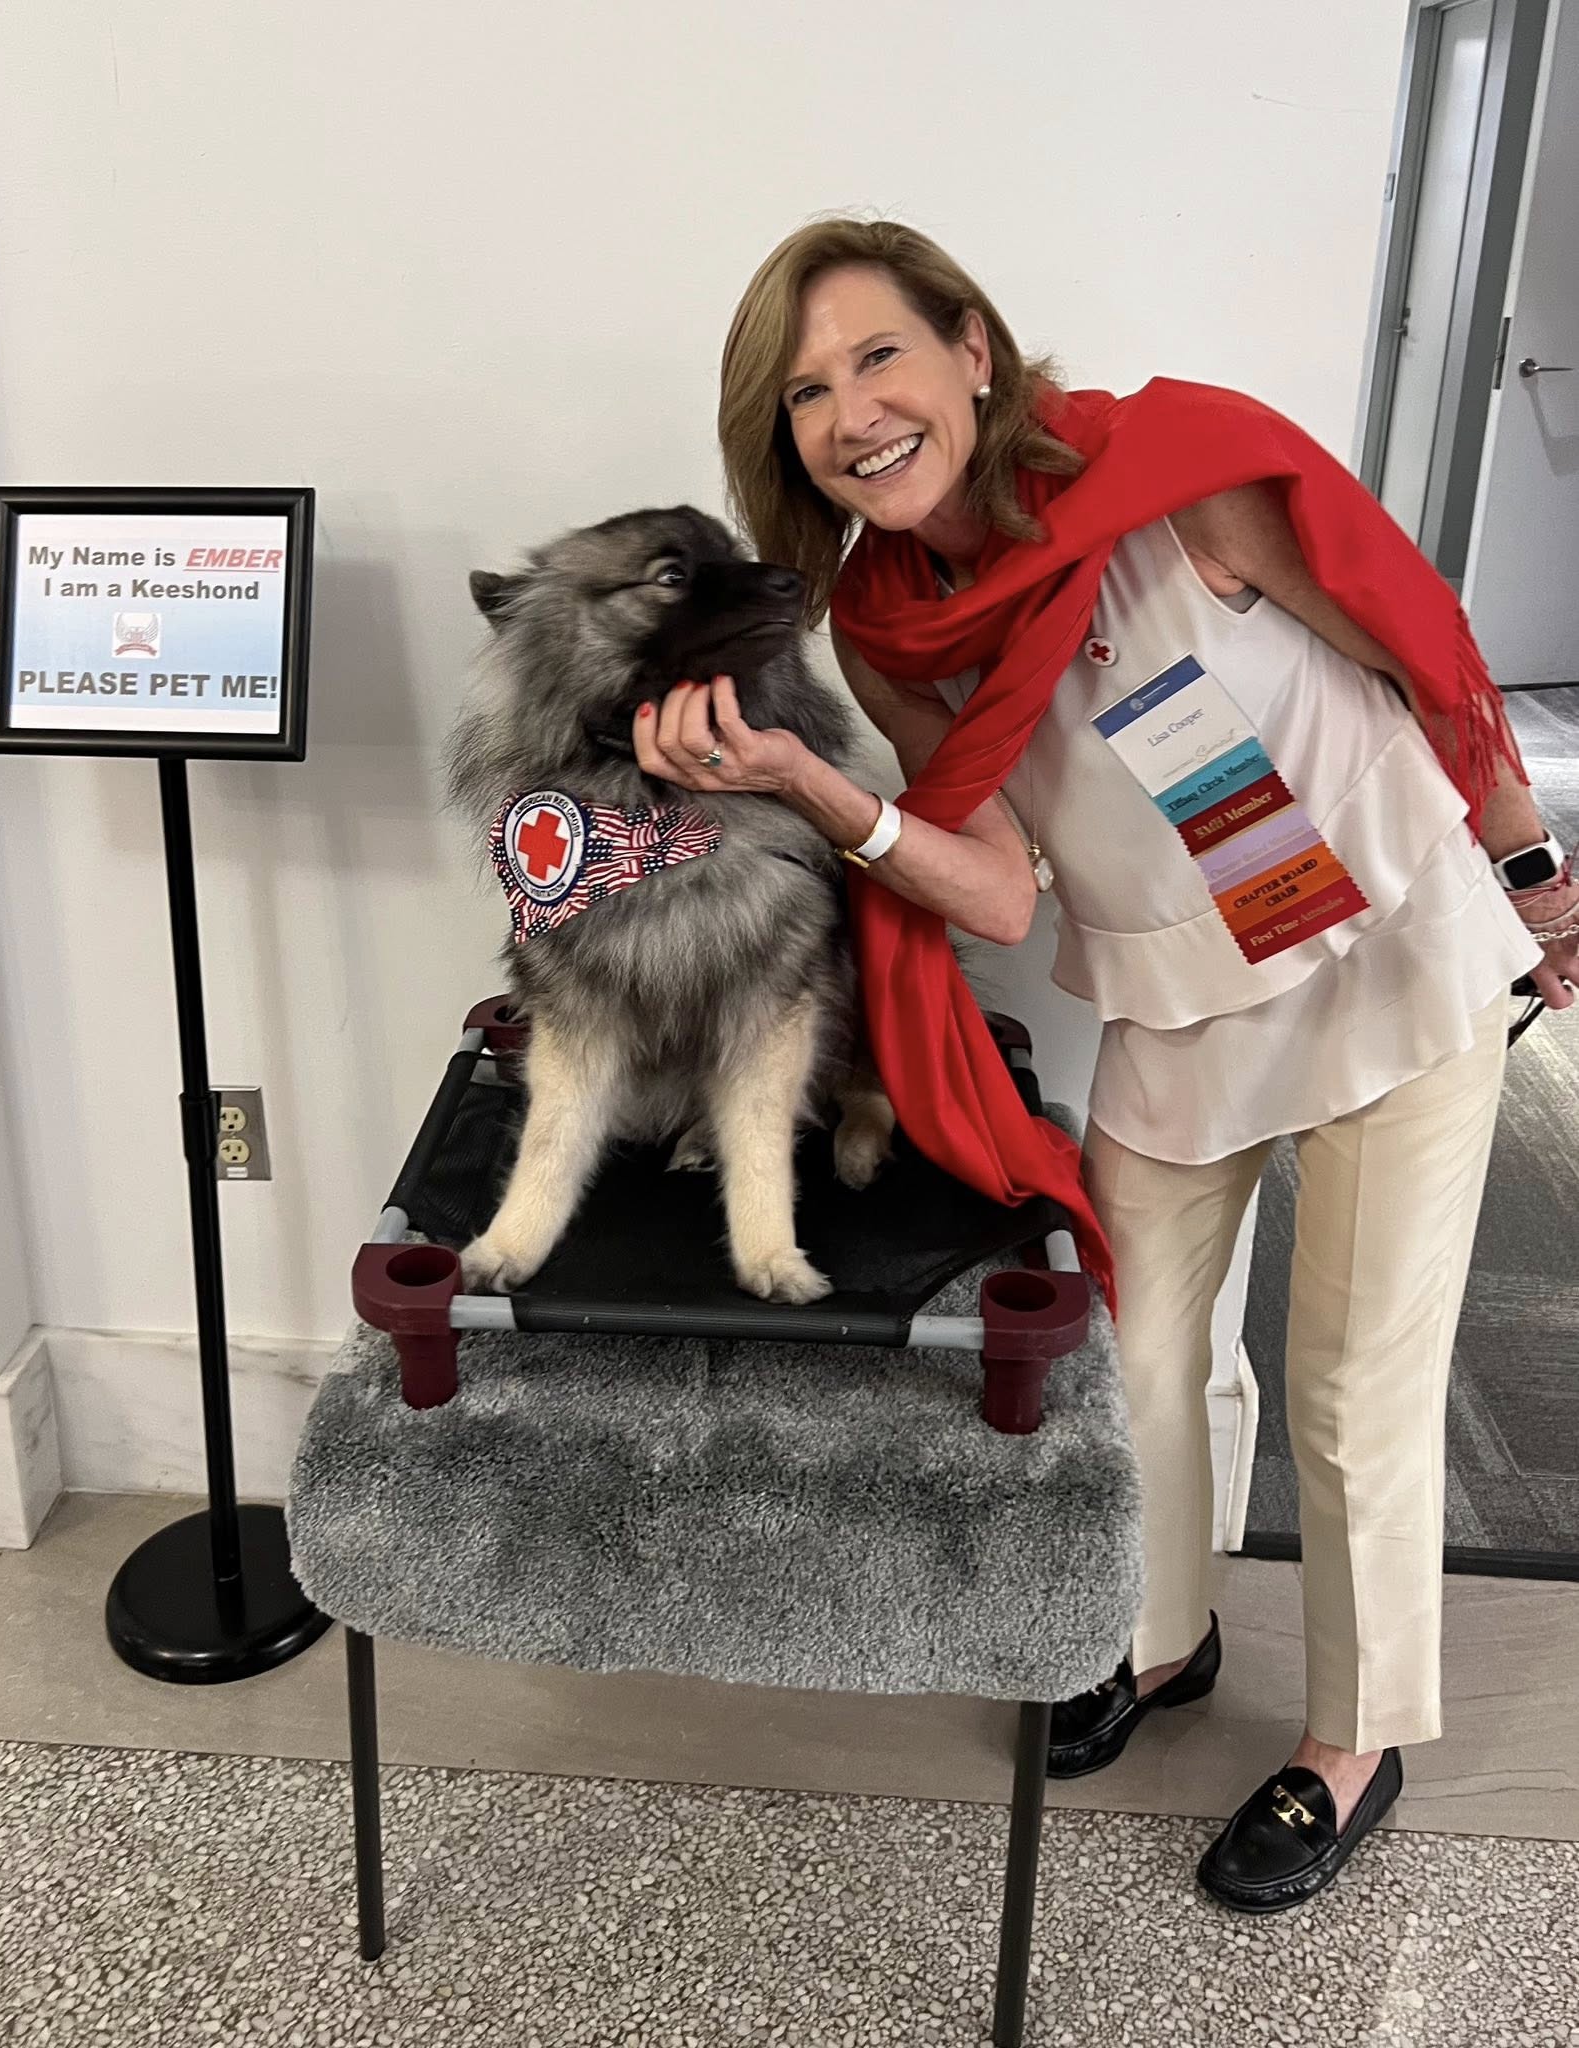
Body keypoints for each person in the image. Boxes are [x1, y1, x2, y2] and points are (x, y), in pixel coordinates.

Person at [633, 218, 1579, 1914]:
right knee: (1129, 1352)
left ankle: (1355, 1742)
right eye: (804, 395)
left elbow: (1411, 639)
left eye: (876, 358)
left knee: (1351, 1382)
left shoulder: (1184, 474)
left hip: (1383, 950)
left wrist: (1526, 869)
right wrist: (805, 782)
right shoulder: (882, 626)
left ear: (971, 351)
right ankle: (1155, 1640)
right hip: (1179, 990)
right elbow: (992, 881)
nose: (851, 413)